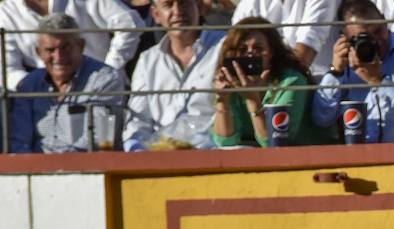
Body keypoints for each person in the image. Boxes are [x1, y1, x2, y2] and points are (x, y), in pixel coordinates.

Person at [312, 0, 394, 143]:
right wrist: (335, 72)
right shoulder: (347, 61)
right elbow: (322, 118)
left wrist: (379, 81)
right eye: (364, 38)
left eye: (378, 31)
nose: (376, 41)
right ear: (346, 38)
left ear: (385, 21)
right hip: (364, 157)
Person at [8, 14, 127, 153]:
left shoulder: (105, 79)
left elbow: (100, 138)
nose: (58, 57)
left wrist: (61, 166)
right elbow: (19, 139)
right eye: (50, 50)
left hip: (88, 167)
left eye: (65, 48)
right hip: (35, 169)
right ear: (38, 52)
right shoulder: (29, 84)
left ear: (81, 46)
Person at [212, 18, 334, 147]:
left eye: (258, 48)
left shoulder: (291, 81)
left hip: (305, 156)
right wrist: (223, 101)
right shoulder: (233, 82)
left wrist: (253, 100)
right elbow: (225, 142)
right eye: (243, 49)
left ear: (272, 52)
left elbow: (274, 143)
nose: (250, 53)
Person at [123, 0, 225, 150]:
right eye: (168, 5)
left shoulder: (224, 47)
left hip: (215, 156)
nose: (178, 11)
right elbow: (138, 124)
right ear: (156, 15)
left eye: (184, 3)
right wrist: (139, 155)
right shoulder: (147, 61)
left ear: (200, 7)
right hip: (161, 158)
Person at [1, 0, 140, 90]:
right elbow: (6, 71)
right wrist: (40, 88)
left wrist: (109, 70)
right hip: (45, 104)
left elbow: (130, 23)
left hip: (105, 92)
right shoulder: (5, 12)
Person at [229, 0, 336, 73]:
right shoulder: (249, 4)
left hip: (318, 91)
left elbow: (302, 58)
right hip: (262, 88)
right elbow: (232, 51)